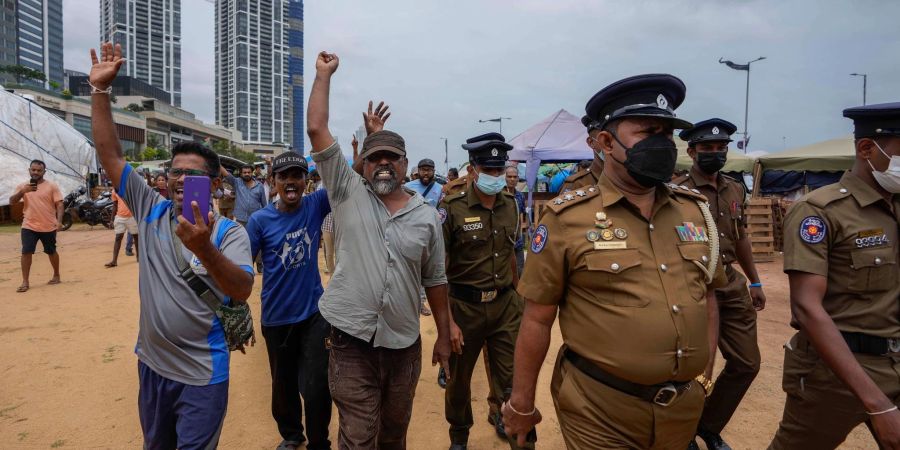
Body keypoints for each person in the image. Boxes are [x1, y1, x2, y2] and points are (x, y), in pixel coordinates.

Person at [503, 74, 727, 449]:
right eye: (648, 132)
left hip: (681, 408)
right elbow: (538, 318)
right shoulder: (566, 218)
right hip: (599, 408)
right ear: (606, 142)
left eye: (667, 134)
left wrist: (703, 376)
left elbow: (706, 297)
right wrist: (522, 402)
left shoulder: (695, 212)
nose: (662, 144)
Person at [89, 42, 255, 449]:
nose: (181, 181)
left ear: (215, 184)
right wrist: (99, 92)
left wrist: (205, 250)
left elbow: (241, 289)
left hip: (202, 374)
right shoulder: (150, 208)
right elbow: (109, 154)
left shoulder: (229, 234)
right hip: (152, 365)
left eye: (193, 175)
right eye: (175, 173)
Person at [307, 50, 453, 450]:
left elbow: (435, 278)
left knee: (393, 434)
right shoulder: (347, 192)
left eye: (392, 158)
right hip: (351, 341)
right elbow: (317, 128)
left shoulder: (426, 216)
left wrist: (444, 332)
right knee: (357, 436)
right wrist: (323, 75)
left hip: (405, 345)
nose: (383, 164)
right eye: (375, 158)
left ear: (406, 165)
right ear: (364, 164)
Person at [769, 103, 900, 449]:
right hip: (834, 374)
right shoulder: (820, 211)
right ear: (866, 149)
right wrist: (878, 404)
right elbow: (807, 309)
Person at [672, 118, 765, 450]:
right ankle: (682, 435)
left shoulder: (734, 188)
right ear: (693, 151)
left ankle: (707, 426)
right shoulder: (676, 190)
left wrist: (755, 282)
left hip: (731, 283)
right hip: (693, 285)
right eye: (707, 148)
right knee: (694, 367)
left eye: (720, 148)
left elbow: (741, 238)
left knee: (746, 363)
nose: (714, 153)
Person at [439, 132, 527, 450]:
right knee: (459, 383)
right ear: (473, 169)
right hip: (465, 308)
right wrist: (447, 321)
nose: (494, 177)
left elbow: (511, 257)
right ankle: (459, 435)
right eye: (488, 170)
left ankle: (512, 427)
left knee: (514, 379)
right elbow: (439, 269)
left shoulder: (511, 205)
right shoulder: (452, 207)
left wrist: (520, 298)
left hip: (505, 306)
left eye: (498, 170)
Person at [245, 151, 333, 450]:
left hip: (314, 314)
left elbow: (344, 180)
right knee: (283, 386)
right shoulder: (259, 221)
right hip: (277, 317)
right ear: (273, 182)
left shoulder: (315, 204)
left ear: (306, 180)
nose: (291, 181)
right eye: (284, 176)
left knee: (317, 385)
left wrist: (366, 143)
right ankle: (293, 434)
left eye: (297, 175)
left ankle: (319, 441)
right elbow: (242, 262)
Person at [9, 159, 63, 293]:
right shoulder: (23, 186)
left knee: (51, 251)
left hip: (48, 225)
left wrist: (59, 220)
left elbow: (60, 204)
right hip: (29, 225)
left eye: (39, 170)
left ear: (44, 172)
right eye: (33, 170)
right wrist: (23, 191)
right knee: (26, 251)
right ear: (29, 170)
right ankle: (25, 281)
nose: (36, 172)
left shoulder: (52, 186)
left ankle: (56, 275)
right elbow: (12, 201)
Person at [504, 165, 528, 278]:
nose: (512, 179)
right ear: (505, 177)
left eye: (515, 177)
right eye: (509, 176)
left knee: (519, 270)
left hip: (517, 241)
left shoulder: (520, 196)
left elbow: (521, 215)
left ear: (518, 178)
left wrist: (520, 233)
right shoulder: (499, 195)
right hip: (503, 240)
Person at [105, 190, 139, 268]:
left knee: (136, 238)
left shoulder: (130, 188)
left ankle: (138, 257)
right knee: (118, 238)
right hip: (120, 217)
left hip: (132, 217)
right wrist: (111, 220)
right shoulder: (115, 191)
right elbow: (115, 205)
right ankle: (114, 261)